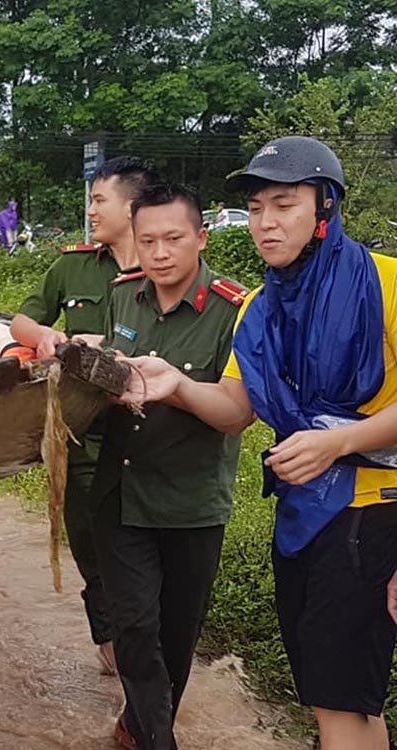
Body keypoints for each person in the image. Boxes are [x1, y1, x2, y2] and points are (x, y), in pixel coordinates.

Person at [128, 137, 397, 750]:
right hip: (304, 516)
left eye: (284, 205)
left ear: (325, 207)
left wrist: (339, 442)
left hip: (376, 513)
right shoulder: (258, 308)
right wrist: (177, 387)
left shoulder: (387, 284)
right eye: (256, 209)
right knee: (341, 695)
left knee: (339, 699)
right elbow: (233, 412)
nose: (266, 224)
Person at [89, 182, 245, 750]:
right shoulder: (123, 296)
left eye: (173, 238)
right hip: (122, 492)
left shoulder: (236, 309)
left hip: (191, 501)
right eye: (147, 240)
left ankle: (140, 725)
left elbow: (235, 414)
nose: (159, 253)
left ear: (201, 238)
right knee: (134, 625)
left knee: (176, 636)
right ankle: (159, 741)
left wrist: (176, 386)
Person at [10, 156, 162, 676]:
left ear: (132, 206)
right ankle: (118, 662)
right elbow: (22, 320)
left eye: (99, 200)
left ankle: (147, 661)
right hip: (83, 441)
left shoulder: (166, 265)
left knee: (152, 564)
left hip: (152, 446)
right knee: (95, 555)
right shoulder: (73, 266)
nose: (90, 210)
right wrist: (47, 338)